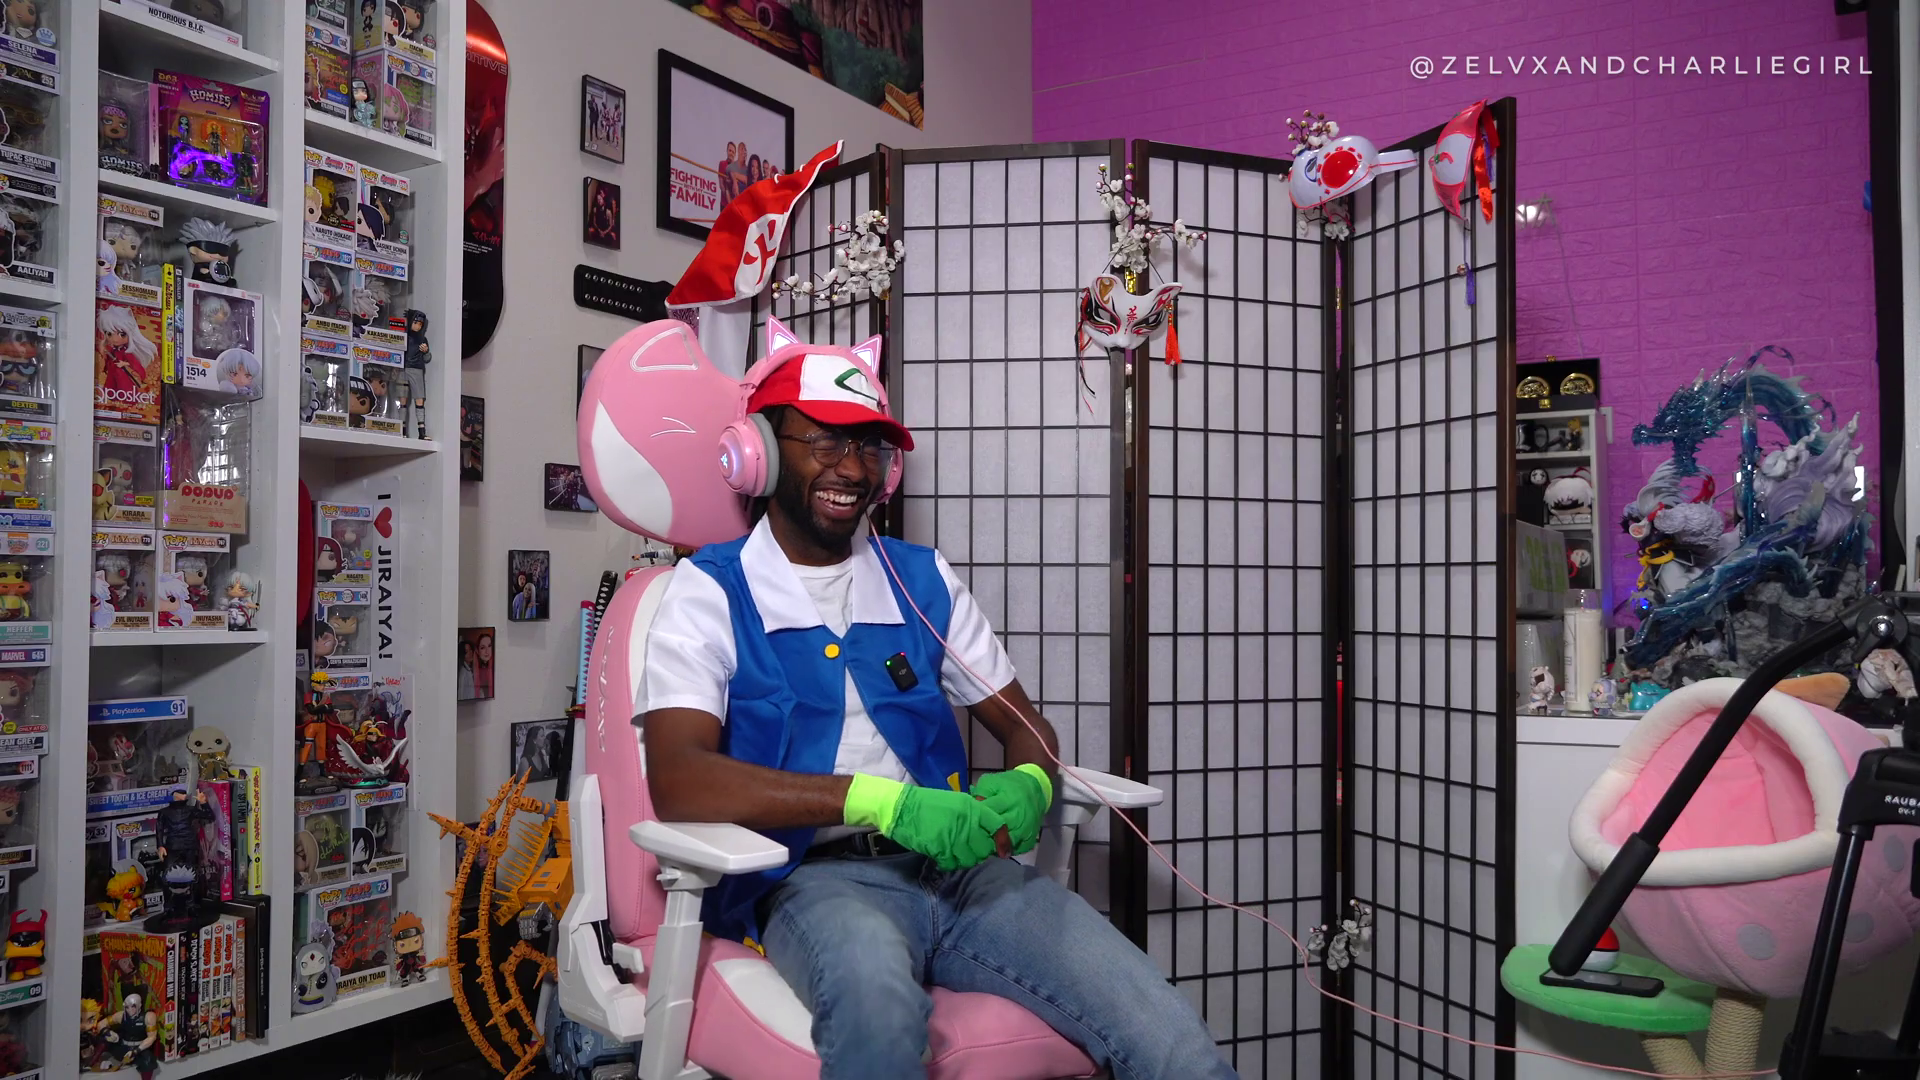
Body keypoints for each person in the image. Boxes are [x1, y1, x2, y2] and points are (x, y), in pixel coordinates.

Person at [638, 352, 1237, 1079]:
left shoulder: (921, 581)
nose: (852, 469)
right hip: (814, 882)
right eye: (824, 440)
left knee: (1167, 1035)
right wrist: (876, 802)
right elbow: (680, 779)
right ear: (759, 450)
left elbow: (1025, 726)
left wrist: (1032, 781)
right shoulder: (708, 590)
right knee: (880, 1017)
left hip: (964, 873)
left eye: (869, 446)